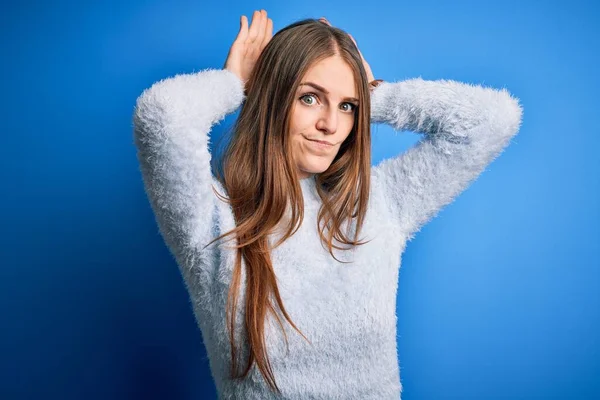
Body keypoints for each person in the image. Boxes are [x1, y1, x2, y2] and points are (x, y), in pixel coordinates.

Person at [132, 10, 523, 399]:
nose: (331, 125)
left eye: (347, 106)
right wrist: (235, 83)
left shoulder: (376, 205)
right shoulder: (215, 218)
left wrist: (376, 96)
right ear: (272, 97)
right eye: (310, 98)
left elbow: (494, 119)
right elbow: (161, 116)